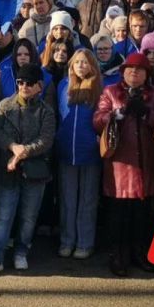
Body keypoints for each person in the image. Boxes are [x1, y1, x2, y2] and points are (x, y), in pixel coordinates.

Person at [93, 52, 154, 277]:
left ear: (147, 74)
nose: (134, 73)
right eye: (130, 69)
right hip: (119, 165)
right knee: (118, 215)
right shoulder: (111, 92)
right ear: (123, 72)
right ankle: (118, 255)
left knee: (142, 215)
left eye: (140, 70)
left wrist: (147, 114)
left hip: (146, 162)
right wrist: (117, 114)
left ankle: (140, 253)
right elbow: (97, 119)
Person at [0, 63, 56, 276]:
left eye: (30, 83)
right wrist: (13, 147)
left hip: (35, 172)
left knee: (29, 217)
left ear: (39, 86)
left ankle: (22, 250)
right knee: (4, 215)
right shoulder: (5, 105)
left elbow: (46, 140)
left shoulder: (46, 111)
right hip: (9, 172)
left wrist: (23, 152)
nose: (24, 86)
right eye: (20, 82)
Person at [55, 48, 103, 259]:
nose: (81, 66)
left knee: (88, 200)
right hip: (66, 150)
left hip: (90, 152)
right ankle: (67, 240)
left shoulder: (100, 88)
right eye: (77, 62)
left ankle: (85, 242)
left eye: (85, 62)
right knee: (67, 199)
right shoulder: (63, 86)